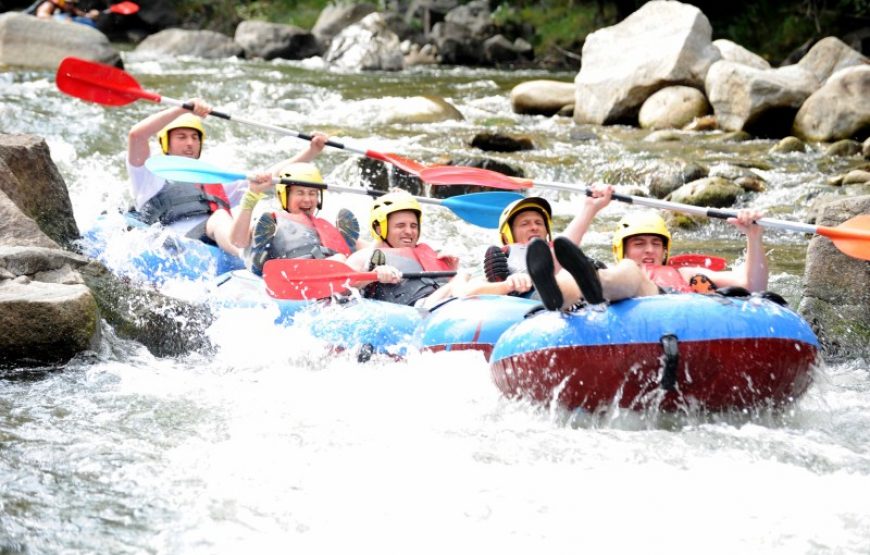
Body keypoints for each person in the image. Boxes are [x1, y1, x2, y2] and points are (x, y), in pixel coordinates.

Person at [126, 98, 325, 257]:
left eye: (195, 138)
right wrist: (183, 109)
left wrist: (312, 150)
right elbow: (137, 135)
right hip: (176, 244)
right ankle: (247, 255)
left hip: (218, 243)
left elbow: (268, 176)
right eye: (181, 137)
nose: (189, 143)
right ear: (165, 142)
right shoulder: (148, 175)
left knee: (263, 221)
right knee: (220, 216)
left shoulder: (212, 179)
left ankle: (296, 256)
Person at [526, 184, 769, 311]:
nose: (649, 250)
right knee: (583, 275)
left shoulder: (685, 274)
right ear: (621, 248)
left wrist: (754, 236)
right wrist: (590, 208)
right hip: (607, 304)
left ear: (665, 250)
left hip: (665, 305)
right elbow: (555, 266)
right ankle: (557, 296)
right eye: (639, 244)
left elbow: (752, 286)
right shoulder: (614, 267)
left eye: (656, 244)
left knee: (629, 273)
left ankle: (590, 288)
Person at [342, 190, 466, 309]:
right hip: (417, 309)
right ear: (380, 229)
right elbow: (340, 291)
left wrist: (451, 270)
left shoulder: (427, 253)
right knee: (464, 278)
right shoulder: (364, 257)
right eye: (400, 226)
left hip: (442, 302)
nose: (409, 231)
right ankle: (351, 242)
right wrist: (373, 276)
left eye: (413, 226)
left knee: (465, 279)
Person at [231, 161, 354, 276]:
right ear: (284, 195)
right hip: (289, 276)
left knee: (357, 257)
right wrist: (252, 195)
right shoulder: (271, 222)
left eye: (312, 193)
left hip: (328, 274)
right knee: (339, 259)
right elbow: (238, 241)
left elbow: (363, 248)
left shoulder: (325, 226)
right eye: (300, 193)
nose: (307, 199)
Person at [453, 196, 554, 298]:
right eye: (524, 224)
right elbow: (465, 293)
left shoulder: (559, 253)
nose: (534, 227)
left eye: (539, 223)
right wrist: (508, 286)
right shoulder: (499, 260)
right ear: (507, 237)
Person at [32, 0, 99, 26]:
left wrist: (91, 15)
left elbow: (82, 15)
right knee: (60, 17)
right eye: (68, 3)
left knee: (89, 22)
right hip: (39, 25)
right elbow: (41, 14)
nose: (71, 5)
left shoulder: (70, 7)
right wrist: (60, 20)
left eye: (73, 3)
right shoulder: (50, 4)